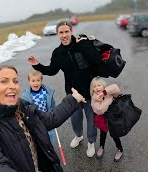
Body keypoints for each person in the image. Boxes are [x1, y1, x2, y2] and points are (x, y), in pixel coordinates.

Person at [0, 65, 86, 172]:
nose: (12, 86)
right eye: (4, 81)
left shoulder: (22, 106)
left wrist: (73, 99)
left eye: (15, 81)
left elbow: (50, 119)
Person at [27, 20, 102, 157]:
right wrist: (37, 65)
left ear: (71, 31)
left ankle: (91, 142)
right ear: (57, 34)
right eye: (61, 32)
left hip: (90, 92)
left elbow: (97, 59)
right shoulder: (57, 53)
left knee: (91, 120)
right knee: (75, 119)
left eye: (66, 31)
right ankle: (78, 136)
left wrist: (85, 44)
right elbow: (52, 70)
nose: (64, 35)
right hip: (72, 93)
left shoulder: (82, 44)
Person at [90, 76, 123, 161]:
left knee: (115, 135)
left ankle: (120, 149)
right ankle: (101, 147)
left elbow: (116, 88)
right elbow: (100, 110)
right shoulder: (94, 98)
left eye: (99, 85)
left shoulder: (107, 91)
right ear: (92, 89)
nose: (97, 88)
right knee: (103, 134)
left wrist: (104, 93)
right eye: (94, 86)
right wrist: (103, 100)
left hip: (113, 119)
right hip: (102, 120)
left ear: (103, 86)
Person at [21, 70, 55, 142]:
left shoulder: (47, 93)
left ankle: (50, 147)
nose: (36, 83)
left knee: (49, 135)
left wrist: (53, 113)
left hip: (46, 117)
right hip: (35, 120)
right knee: (37, 137)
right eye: (33, 81)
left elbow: (52, 105)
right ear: (29, 81)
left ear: (41, 81)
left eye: (38, 80)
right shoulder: (26, 96)